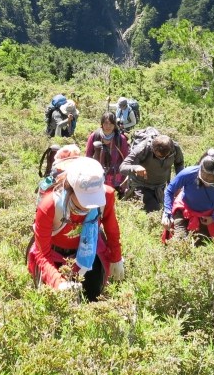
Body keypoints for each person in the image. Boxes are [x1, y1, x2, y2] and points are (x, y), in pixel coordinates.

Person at [27, 156, 126, 300]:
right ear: (70, 189)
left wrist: (116, 257)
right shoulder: (50, 205)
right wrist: (58, 283)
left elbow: (112, 230)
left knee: (93, 298)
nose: (89, 206)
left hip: (89, 250)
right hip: (54, 254)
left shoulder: (107, 195)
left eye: (94, 199)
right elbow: (42, 254)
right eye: (84, 199)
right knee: (56, 302)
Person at [162, 149, 214, 243]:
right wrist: (167, 213)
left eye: (212, 182)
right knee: (180, 241)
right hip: (183, 210)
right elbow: (170, 190)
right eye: (204, 179)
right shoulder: (188, 173)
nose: (207, 183)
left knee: (202, 245)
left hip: (207, 216)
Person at [121, 133, 185, 213]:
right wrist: (135, 168)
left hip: (160, 187)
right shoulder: (143, 149)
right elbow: (122, 167)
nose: (162, 158)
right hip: (141, 185)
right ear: (153, 148)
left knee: (168, 210)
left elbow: (179, 163)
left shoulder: (175, 148)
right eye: (159, 156)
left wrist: (179, 184)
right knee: (154, 211)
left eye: (166, 156)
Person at [85, 112, 130, 195]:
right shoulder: (95, 136)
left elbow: (126, 159)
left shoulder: (120, 139)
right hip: (97, 174)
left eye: (111, 123)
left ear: (115, 125)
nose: (108, 126)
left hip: (115, 176)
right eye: (106, 123)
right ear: (102, 124)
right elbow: (88, 156)